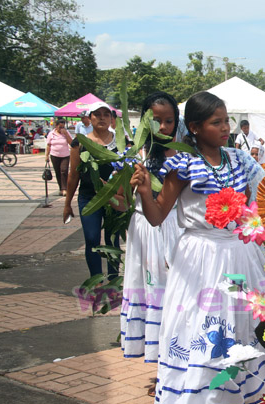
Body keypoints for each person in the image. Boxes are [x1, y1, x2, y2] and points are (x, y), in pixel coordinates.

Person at [130, 91, 265, 404]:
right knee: (198, 339)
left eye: (226, 120)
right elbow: (157, 216)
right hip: (199, 261)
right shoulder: (182, 164)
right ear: (196, 128)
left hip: (242, 257)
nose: (225, 128)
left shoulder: (240, 159)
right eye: (217, 122)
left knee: (239, 337)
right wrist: (145, 190)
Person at [118, 91, 184, 378]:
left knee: (177, 294)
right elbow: (121, 203)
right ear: (145, 121)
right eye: (157, 121)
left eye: (169, 120)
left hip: (176, 230)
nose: (164, 127)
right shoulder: (134, 157)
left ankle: (178, 361)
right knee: (152, 292)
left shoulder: (185, 155)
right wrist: (120, 186)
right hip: (145, 232)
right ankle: (161, 365)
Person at [64, 102, 121, 279]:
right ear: (90, 118)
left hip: (114, 199)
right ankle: (96, 279)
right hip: (89, 198)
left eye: (106, 114)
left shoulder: (121, 142)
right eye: (97, 114)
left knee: (113, 240)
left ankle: (113, 279)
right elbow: (73, 175)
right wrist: (67, 204)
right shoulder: (80, 143)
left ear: (111, 119)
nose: (102, 118)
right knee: (91, 239)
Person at [45, 118, 73, 196]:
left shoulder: (66, 133)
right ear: (56, 126)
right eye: (60, 127)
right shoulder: (51, 134)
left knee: (64, 170)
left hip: (65, 155)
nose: (61, 129)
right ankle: (61, 188)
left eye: (63, 127)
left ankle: (65, 188)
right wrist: (47, 155)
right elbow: (48, 145)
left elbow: (71, 143)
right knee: (58, 172)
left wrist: (66, 134)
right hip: (54, 155)